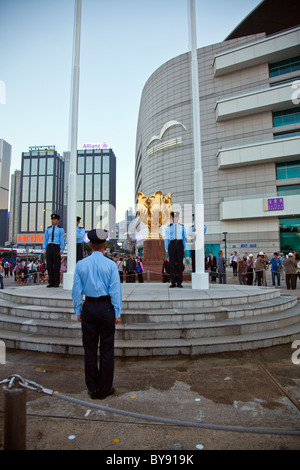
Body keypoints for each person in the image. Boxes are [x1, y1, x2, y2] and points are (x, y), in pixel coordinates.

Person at [72, 228, 122, 400]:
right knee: (107, 349)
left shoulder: (81, 264)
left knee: (90, 350)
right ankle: (105, 388)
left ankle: (92, 387)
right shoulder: (110, 264)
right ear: (105, 245)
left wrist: (78, 310)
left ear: (90, 245)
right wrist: (117, 312)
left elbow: (76, 291)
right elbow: (115, 291)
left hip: (89, 308)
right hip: (106, 307)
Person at [164, 211, 187, 288]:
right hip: (172, 245)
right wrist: (166, 250)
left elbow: (184, 238)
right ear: (172, 218)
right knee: (172, 264)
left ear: (178, 218)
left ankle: (179, 282)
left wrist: (184, 248)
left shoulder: (182, 227)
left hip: (180, 245)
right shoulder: (168, 227)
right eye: (173, 217)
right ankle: (173, 282)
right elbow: (166, 239)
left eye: (176, 217)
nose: (175, 219)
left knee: (180, 264)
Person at [43, 213, 65, 288]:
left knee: (56, 265)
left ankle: (56, 281)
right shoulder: (48, 229)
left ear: (57, 220)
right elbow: (45, 239)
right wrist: (44, 249)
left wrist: (62, 249)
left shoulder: (60, 229)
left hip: (56, 247)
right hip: (49, 247)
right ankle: (51, 281)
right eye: (52, 219)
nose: (53, 221)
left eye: (55, 219)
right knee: (49, 265)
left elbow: (62, 240)